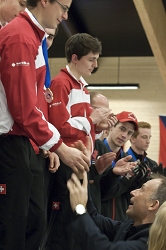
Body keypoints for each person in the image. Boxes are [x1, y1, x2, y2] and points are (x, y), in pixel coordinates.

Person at [0, 1, 91, 249]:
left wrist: (47, 146)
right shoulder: (20, 36)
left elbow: (34, 104)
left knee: (34, 224)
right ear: (44, 1)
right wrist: (60, 146)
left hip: (28, 143)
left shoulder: (33, 37)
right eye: (63, 6)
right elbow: (22, 108)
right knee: (13, 229)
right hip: (10, 143)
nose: (65, 15)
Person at [45, 33, 114, 250]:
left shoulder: (83, 88)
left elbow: (79, 127)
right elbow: (57, 126)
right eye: (91, 59)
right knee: (63, 226)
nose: (95, 64)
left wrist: (96, 126)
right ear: (75, 58)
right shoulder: (61, 83)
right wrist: (91, 120)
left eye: (97, 59)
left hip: (81, 164)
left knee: (77, 224)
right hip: (66, 163)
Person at [67, 172, 166, 250]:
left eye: (142, 190)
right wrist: (80, 178)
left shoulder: (149, 243)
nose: (132, 192)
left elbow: (101, 248)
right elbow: (94, 218)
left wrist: (79, 209)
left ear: (153, 205)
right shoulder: (129, 225)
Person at [100, 111, 142, 221]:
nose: (124, 135)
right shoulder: (95, 153)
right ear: (112, 127)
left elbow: (129, 196)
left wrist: (141, 180)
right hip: (97, 222)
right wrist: (125, 181)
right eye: (122, 129)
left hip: (119, 223)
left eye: (129, 133)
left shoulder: (129, 160)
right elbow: (99, 193)